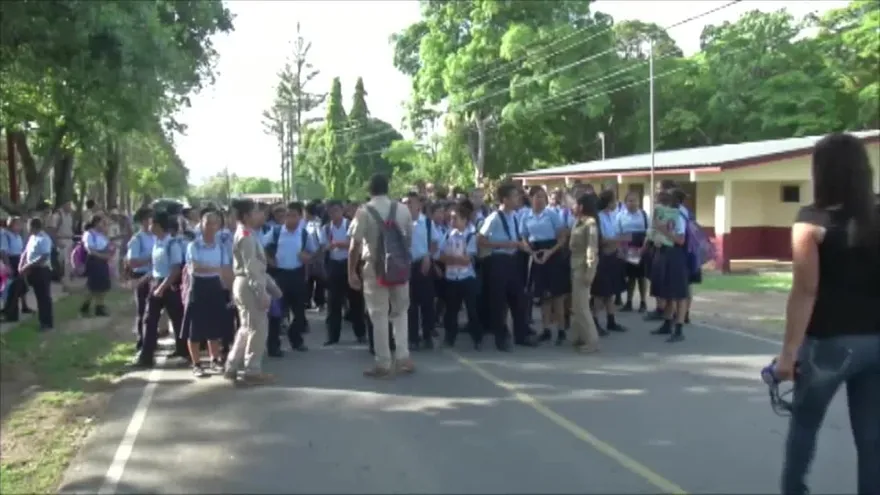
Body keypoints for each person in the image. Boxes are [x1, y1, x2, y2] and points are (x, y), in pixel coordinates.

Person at [777, 133, 880, 495]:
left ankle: (794, 490)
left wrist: (788, 353)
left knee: (805, 425)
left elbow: (805, 291)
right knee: (872, 440)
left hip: (829, 344)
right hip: (876, 343)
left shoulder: (811, 220)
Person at [348, 173, 415, 378]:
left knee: (378, 315)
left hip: (373, 268)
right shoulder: (402, 209)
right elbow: (409, 239)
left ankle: (383, 363)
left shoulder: (364, 211)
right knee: (401, 312)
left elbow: (355, 245)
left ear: (370, 190)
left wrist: (351, 272)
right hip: (399, 267)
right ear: (388, 188)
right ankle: (403, 357)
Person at [225, 198, 283, 385]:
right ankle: (252, 369)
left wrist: (272, 287)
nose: (262, 215)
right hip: (249, 285)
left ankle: (232, 365)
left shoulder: (247, 233)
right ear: (248, 215)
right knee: (258, 329)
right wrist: (261, 292)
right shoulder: (246, 236)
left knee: (246, 328)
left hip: (245, 283)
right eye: (257, 211)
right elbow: (252, 268)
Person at [477, 183, 538, 351]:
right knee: (499, 301)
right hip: (498, 261)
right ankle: (500, 337)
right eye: (514, 196)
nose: (518, 199)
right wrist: (504, 244)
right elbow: (480, 240)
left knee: (519, 298)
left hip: (513, 260)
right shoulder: (494, 217)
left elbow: (518, 237)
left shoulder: (516, 216)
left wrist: (526, 248)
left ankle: (521, 334)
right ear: (505, 199)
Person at [261, 201, 316, 355]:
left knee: (299, 313)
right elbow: (261, 245)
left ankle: (296, 339)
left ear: (300, 217)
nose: (291, 219)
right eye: (288, 216)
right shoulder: (276, 232)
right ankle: (273, 346)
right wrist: (269, 260)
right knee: (277, 312)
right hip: (280, 275)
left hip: (297, 274)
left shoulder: (304, 234)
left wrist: (307, 257)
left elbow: (313, 252)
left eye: (294, 216)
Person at [183, 209, 233, 378]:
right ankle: (196, 363)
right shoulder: (193, 245)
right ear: (201, 225)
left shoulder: (220, 247)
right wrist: (216, 269)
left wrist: (231, 290)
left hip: (215, 287)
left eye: (214, 223)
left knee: (214, 326)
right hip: (198, 287)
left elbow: (226, 270)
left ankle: (215, 359)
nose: (211, 227)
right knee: (194, 328)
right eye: (207, 223)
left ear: (219, 226)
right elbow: (195, 267)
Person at [134, 211, 186, 368]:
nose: (149, 226)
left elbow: (176, 269)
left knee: (177, 320)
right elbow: (156, 268)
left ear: (158, 225)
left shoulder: (172, 244)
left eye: (151, 223)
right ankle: (146, 355)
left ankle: (184, 352)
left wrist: (163, 287)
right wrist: (143, 280)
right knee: (149, 320)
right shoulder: (157, 243)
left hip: (169, 285)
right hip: (156, 283)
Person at [521, 186, 568, 344]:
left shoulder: (552, 214)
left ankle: (561, 330)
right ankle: (546, 329)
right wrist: (531, 253)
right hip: (536, 255)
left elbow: (562, 238)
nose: (540, 199)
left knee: (557, 297)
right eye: (537, 196)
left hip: (553, 255)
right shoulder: (525, 216)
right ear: (531, 198)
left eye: (543, 197)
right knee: (543, 297)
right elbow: (523, 238)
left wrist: (550, 251)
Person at [647, 189, 689, 343]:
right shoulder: (663, 215)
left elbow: (680, 240)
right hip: (664, 253)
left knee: (679, 294)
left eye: (662, 201)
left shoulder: (679, 217)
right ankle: (667, 323)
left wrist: (662, 230)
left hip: (676, 255)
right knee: (667, 292)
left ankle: (679, 328)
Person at [323, 200, 366, 345]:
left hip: (350, 264)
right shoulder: (326, 229)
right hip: (334, 266)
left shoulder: (350, 225)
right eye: (331, 212)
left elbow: (356, 244)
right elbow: (324, 247)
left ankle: (360, 333)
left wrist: (339, 244)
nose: (334, 214)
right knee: (333, 303)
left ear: (342, 211)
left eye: (336, 210)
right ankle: (332, 336)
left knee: (356, 301)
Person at [439, 201, 481, 349]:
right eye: (450, 218)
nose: (451, 221)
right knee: (451, 311)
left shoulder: (470, 236)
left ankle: (477, 338)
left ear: (464, 220)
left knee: (472, 310)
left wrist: (452, 259)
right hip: (451, 278)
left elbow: (466, 260)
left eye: (455, 218)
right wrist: (453, 259)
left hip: (466, 277)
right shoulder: (447, 235)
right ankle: (450, 338)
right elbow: (441, 256)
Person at [591, 189, 628, 333]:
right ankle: (594, 321)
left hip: (613, 256)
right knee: (600, 293)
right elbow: (601, 240)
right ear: (608, 202)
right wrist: (618, 240)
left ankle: (611, 320)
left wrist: (617, 243)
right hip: (603, 257)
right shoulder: (598, 217)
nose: (616, 203)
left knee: (610, 292)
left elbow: (614, 234)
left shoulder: (613, 216)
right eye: (614, 200)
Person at [405, 192, 439, 350]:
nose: (408, 206)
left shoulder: (426, 223)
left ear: (419, 205)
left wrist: (428, 256)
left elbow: (434, 243)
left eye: (411, 203)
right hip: (405, 266)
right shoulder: (400, 223)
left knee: (427, 302)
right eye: (405, 203)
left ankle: (427, 334)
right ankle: (413, 337)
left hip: (423, 264)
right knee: (409, 304)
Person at [568, 193, 601, 353]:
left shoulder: (590, 224)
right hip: (575, 264)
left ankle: (591, 341)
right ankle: (579, 336)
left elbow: (592, 248)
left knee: (582, 306)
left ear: (581, 206)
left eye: (575, 204)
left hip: (583, 266)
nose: (572, 207)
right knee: (576, 305)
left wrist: (590, 270)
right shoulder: (578, 222)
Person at [125, 208, 155, 354]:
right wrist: (150, 259)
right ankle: (141, 340)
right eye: (150, 219)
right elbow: (132, 262)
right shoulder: (137, 239)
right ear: (144, 221)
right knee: (142, 310)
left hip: (155, 276)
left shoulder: (157, 237)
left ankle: (152, 340)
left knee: (154, 311)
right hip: (141, 276)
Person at [617, 191, 650, 312]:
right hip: (628, 247)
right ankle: (629, 302)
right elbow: (618, 233)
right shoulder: (620, 215)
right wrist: (622, 249)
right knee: (630, 277)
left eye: (634, 200)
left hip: (642, 246)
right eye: (629, 201)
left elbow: (649, 232)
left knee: (642, 277)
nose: (632, 203)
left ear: (638, 201)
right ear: (625, 203)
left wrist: (643, 248)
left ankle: (643, 302)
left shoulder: (644, 214)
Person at [19, 217, 54, 330]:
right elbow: (26, 251)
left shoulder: (44, 239)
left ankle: (46, 323)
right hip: (32, 270)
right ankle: (42, 320)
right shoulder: (32, 237)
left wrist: (28, 265)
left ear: (33, 226)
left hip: (42, 270)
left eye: (29, 226)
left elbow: (43, 257)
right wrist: (21, 263)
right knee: (35, 295)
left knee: (43, 298)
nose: (27, 228)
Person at [80, 215, 114, 316]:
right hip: (94, 261)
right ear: (96, 223)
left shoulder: (102, 235)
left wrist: (109, 253)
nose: (104, 225)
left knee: (103, 285)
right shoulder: (89, 234)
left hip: (103, 261)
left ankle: (99, 307)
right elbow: (90, 249)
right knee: (93, 286)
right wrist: (102, 256)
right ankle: (85, 306)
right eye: (102, 222)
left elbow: (108, 246)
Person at [0, 217, 31, 321]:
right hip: (11, 261)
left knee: (20, 287)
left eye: (20, 224)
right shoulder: (4, 235)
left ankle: (17, 309)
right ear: (10, 224)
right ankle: (10, 313)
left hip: (18, 260)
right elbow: (3, 252)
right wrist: (8, 266)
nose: (19, 227)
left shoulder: (17, 236)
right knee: (11, 288)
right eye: (17, 224)